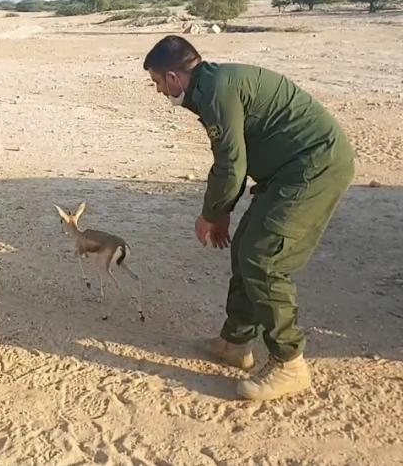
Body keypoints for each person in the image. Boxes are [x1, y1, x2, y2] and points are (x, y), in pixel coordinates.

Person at [143, 35, 355, 401]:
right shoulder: (213, 85)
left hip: (314, 167)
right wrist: (222, 213)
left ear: (174, 77)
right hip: (286, 171)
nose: (159, 91)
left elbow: (230, 165)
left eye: (157, 82)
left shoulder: (216, 93)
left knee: (265, 258)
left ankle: (290, 364)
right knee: (245, 246)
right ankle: (235, 344)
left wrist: (212, 214)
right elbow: (232, 162)